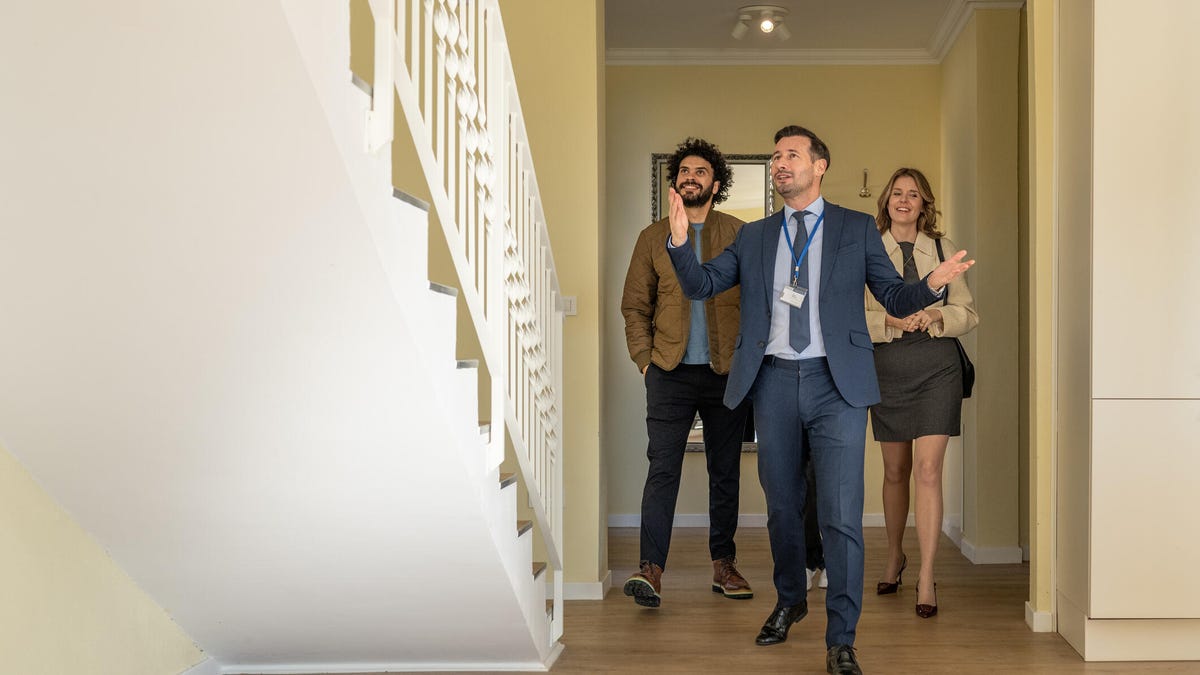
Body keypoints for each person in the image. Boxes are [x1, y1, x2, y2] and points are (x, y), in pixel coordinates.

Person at [665, 126, 973, 675]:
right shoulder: (756, 236)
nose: (780, 163)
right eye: (776, 156)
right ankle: (789, 601)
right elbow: (701, 285)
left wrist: (931, 284)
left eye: (792, 155)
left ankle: (842, 636)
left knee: (841, 516)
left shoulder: (856, 230)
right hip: (774, 381)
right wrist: (682, 242)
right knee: (782, 509)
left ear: (820, 166)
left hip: (839, 384)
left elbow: (894, 297)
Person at [620, 137, 753, 608]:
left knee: (725, 472)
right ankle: (651, 569)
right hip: (669, 373)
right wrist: (644, 361)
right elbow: (634, 306)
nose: (690, 177)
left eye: (700, 171)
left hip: (725, 372)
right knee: (663, 470)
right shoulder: (651, 238)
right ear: (675, 183)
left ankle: (724, 564)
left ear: (716, 183)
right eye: (683, 172)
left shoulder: (740, 235)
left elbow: (758, 304)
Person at [866, 168, 978, 619]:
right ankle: (895, 555)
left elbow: (967, 312)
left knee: (928, 472)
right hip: (887, 368)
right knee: (896, 471)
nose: (905, 200)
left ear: (924, 202)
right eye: (898, 193)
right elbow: (851, 311)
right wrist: (890, 321)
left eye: (913, 194)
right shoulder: (867, 247)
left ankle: (927, 575)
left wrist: (934, 318)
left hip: (937, 368)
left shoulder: (943, 248)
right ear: (887, 201)